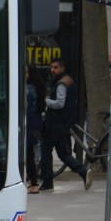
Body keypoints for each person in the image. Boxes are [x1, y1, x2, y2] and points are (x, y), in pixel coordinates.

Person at [39, 58, 92, 192]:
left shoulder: (62, 83)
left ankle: (47, 182)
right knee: (63, 154)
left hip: (55, 123)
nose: (53, 70)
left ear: (63, 68)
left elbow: (59, 103)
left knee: (45, 152)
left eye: (56, 67)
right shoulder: (68, 81)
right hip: (63, 123)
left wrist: (45, 101)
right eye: (51, 67)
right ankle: (83, 171)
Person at [25, 64, 46, 193]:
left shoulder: (28, 89)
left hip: (30, 121)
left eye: (26, 73)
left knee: (28, 154)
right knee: (29, 153)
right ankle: (33, 182)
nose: (24, 75)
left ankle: (33, 183)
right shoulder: (37, 88)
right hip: (36, 121)